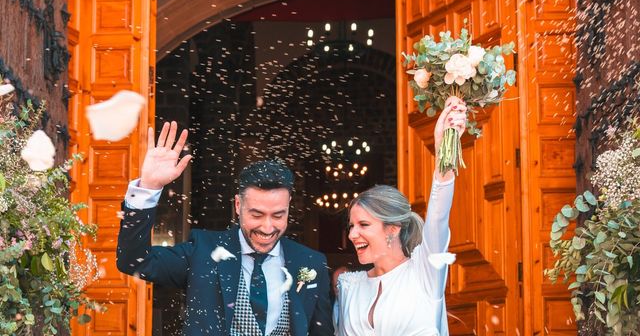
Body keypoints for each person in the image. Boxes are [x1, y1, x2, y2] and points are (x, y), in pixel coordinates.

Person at [116, 121, 333, 336]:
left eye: (278, 215)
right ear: (238, 205)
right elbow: (134, 261)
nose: (268, 227)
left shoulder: (311, 263)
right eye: (257, 215)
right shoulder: (202, 250)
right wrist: (148, 188)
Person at [336, 97, 467, 336]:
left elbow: (438, 214)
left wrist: (444, 147)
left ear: (393, 228)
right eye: (351, 225)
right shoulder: (349, 286)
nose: (353, 234)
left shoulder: (425, 271)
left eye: (364, 224)